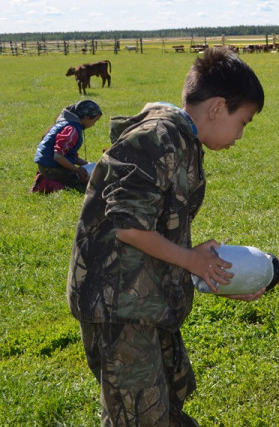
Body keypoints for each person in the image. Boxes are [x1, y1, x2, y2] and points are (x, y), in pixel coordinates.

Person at [67, 47, 265, 426]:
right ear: (218, 107)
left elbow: (153, 232)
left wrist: (211, 273)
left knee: (162, 402)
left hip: (142, 300)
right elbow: (127, 226)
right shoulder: (158, 138)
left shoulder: (181, 140)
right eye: (244, 121)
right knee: (141, 415)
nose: (241, 135)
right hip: (118, 307)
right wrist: (192, 260)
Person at [31, 99, 103, 193]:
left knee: (83, 176)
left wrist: (87, 164)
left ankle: (47, 178)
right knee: (79, 180)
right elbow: (58, 156)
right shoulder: (72, 130)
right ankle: (46, 183)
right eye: (94, 121)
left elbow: (70, 155)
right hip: (51, 167)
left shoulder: (69, 124)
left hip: (47, 165)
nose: (93, 124)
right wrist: (77, 170)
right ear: (86, 117)